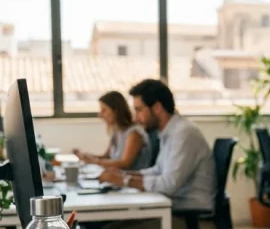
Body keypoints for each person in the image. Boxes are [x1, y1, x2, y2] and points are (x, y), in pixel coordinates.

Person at [100, 79, 215, 217]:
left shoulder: (184, 133)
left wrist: (125, 181)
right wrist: (125, 175)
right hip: (172, 208)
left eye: (139, 110)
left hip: (189, 216)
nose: (136, 118)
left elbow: (169, 184)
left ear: (157, 108)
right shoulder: (168, 132)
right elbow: (158, 171)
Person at [74, 91, 152, 170]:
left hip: (132, 179)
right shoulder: (117, 131)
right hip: (117, 177)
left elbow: (124, 163)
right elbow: (106, 157)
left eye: (104, 110)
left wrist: (95, 161)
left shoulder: (134, 133)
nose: (100, 115)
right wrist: (88, 157)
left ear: (116, 111)